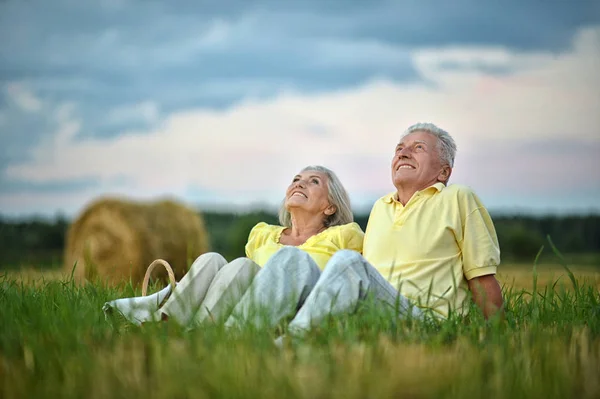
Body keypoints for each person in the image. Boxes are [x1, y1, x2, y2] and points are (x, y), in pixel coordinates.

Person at [276, 123, 504, 340]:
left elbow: (482, 278)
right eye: (399, 149)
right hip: (374, 318)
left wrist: (497, 338)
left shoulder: (457, 198)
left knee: (349, 262)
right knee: (292, 258)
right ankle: (245, 335)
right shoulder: (380, 208)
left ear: (443, 172)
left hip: (428, 322)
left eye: (419, 148)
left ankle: (292, 341)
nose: (403, 154)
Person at [102, 165, 364, 329]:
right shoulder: (263, 234)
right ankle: (166, 323)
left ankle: (200, 333)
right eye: (296, 178)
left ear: (330, 206)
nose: (299, 183)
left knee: (241, 265)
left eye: (313, 181)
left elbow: (354, 278)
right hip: (242, 307)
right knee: (213, 259)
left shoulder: (344, 236)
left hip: (289, 307)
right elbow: (235, 281)